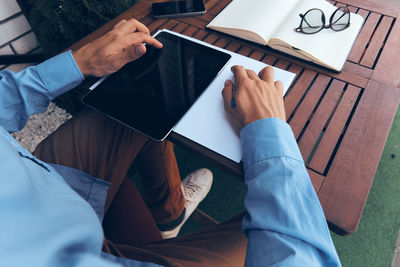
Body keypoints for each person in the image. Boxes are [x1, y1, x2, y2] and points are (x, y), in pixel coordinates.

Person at [0, 18, 341, 266]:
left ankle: (169, 217)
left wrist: (81, 61)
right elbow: (303, 258)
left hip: (43, 186)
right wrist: (267, 130)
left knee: (130, 106)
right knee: (303, 217)